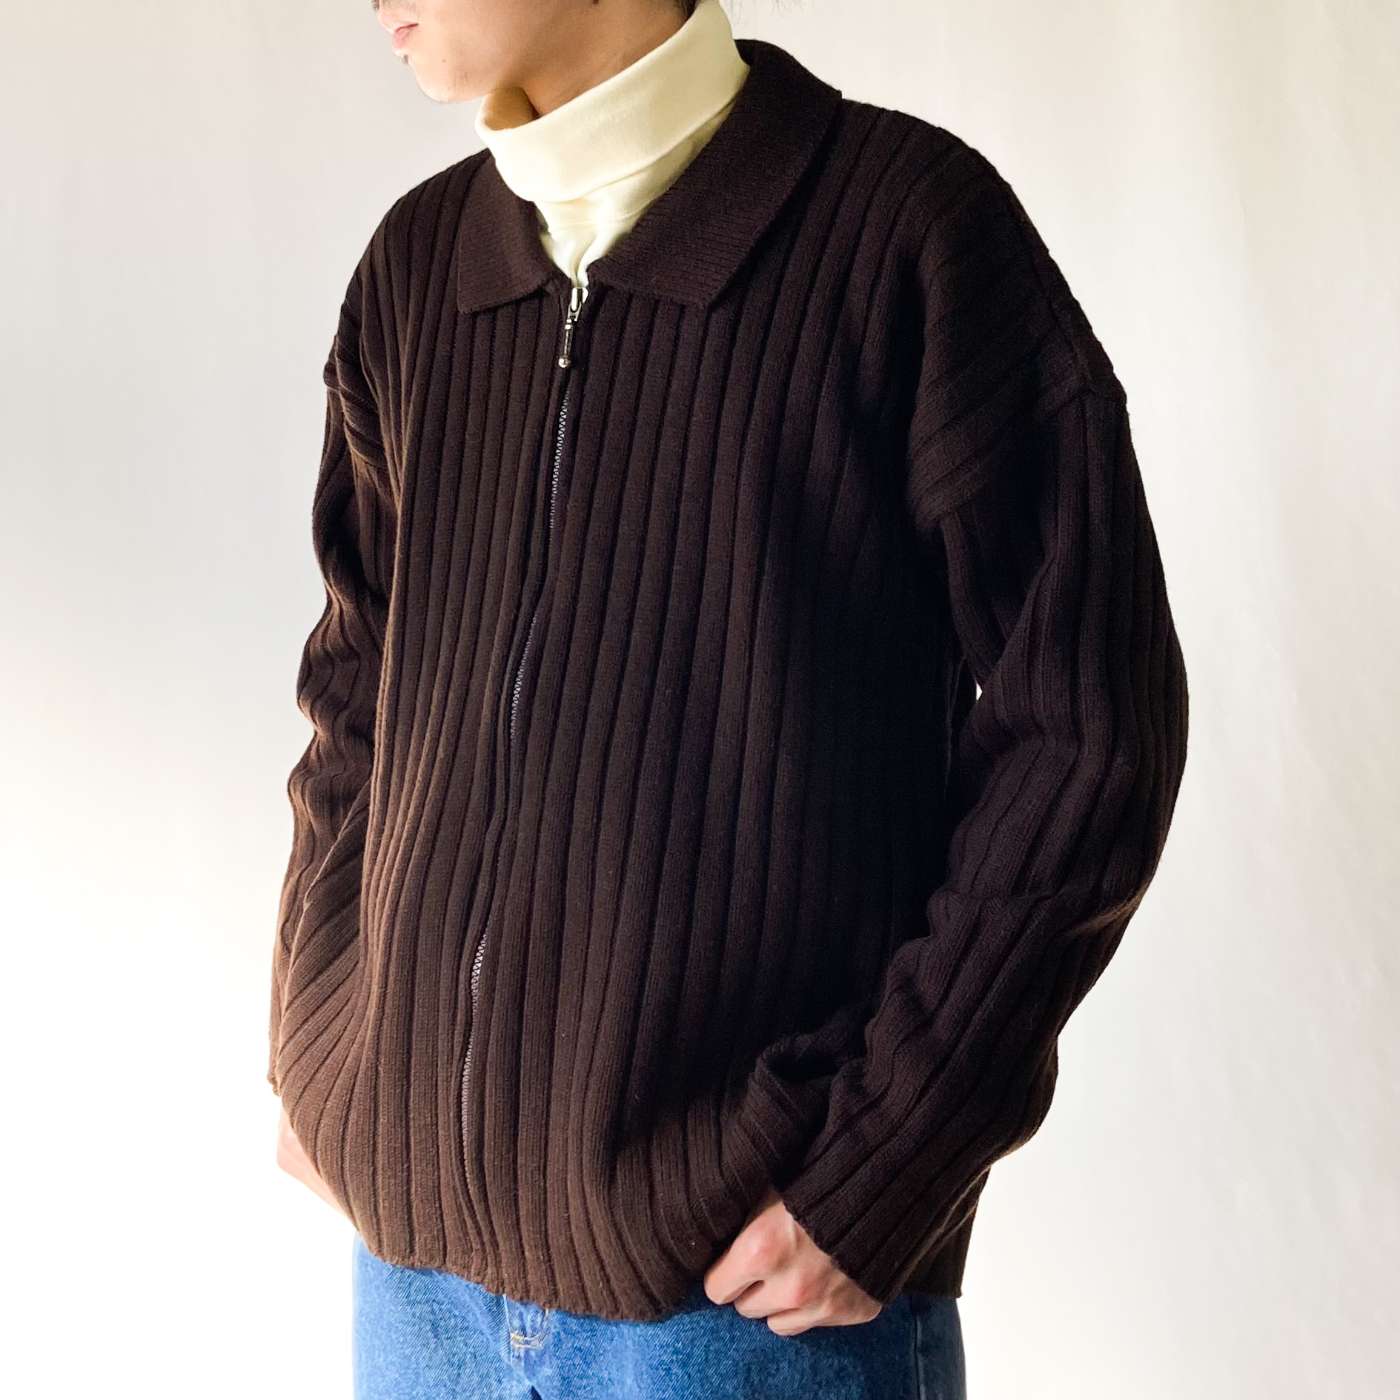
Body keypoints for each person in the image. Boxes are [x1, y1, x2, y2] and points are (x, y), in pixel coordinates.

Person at [268, 2, 1190, 1396]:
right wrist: (321, 1048)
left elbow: (1088, 731)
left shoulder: (906, 235)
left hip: (743, 1308)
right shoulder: (418, 267)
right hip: (417, 1298)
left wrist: (888, 1158)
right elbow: (357, 693)